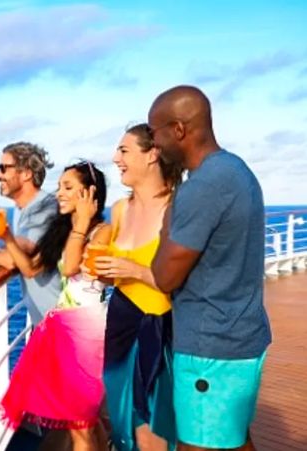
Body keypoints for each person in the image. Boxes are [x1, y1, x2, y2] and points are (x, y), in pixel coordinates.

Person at [148, 86, 271, 451]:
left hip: (211, 349)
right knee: (233, 441)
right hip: (241, 337)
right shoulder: (234, 170)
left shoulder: (203, 187)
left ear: (179, 130)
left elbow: (165, 276)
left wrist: (169, 216)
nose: (155, 146)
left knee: (199, 445)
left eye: (155, 134)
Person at [0, 161, 111, 451]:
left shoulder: (102, 232)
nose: (59, 193)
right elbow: (32, 267)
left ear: (89, 194)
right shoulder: (64, 230)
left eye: (68, 187)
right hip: (63, 331)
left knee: (81, 425)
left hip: (86, 333)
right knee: (85, 421)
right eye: (60, 186)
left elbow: (72, 265)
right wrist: (7, 237)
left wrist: (83, 223)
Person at [87, 124, 183, 451]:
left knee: (152, 429)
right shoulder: (119, 210)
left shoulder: (178, 209)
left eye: (124, 150)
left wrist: (136, 270)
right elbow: (112, 276)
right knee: (123, 422)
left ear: (152, 154)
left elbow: (188, 283)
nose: (116, 158)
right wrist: (103, 273)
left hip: (159, 330)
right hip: (120, 326)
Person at [0, 142, 60, 326]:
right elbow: (16, 252)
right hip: (49, 321)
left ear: (26, 174)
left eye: (3, 168)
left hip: (60, 323)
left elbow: (15, 258)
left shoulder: (43, 208)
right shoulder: (22, 208)